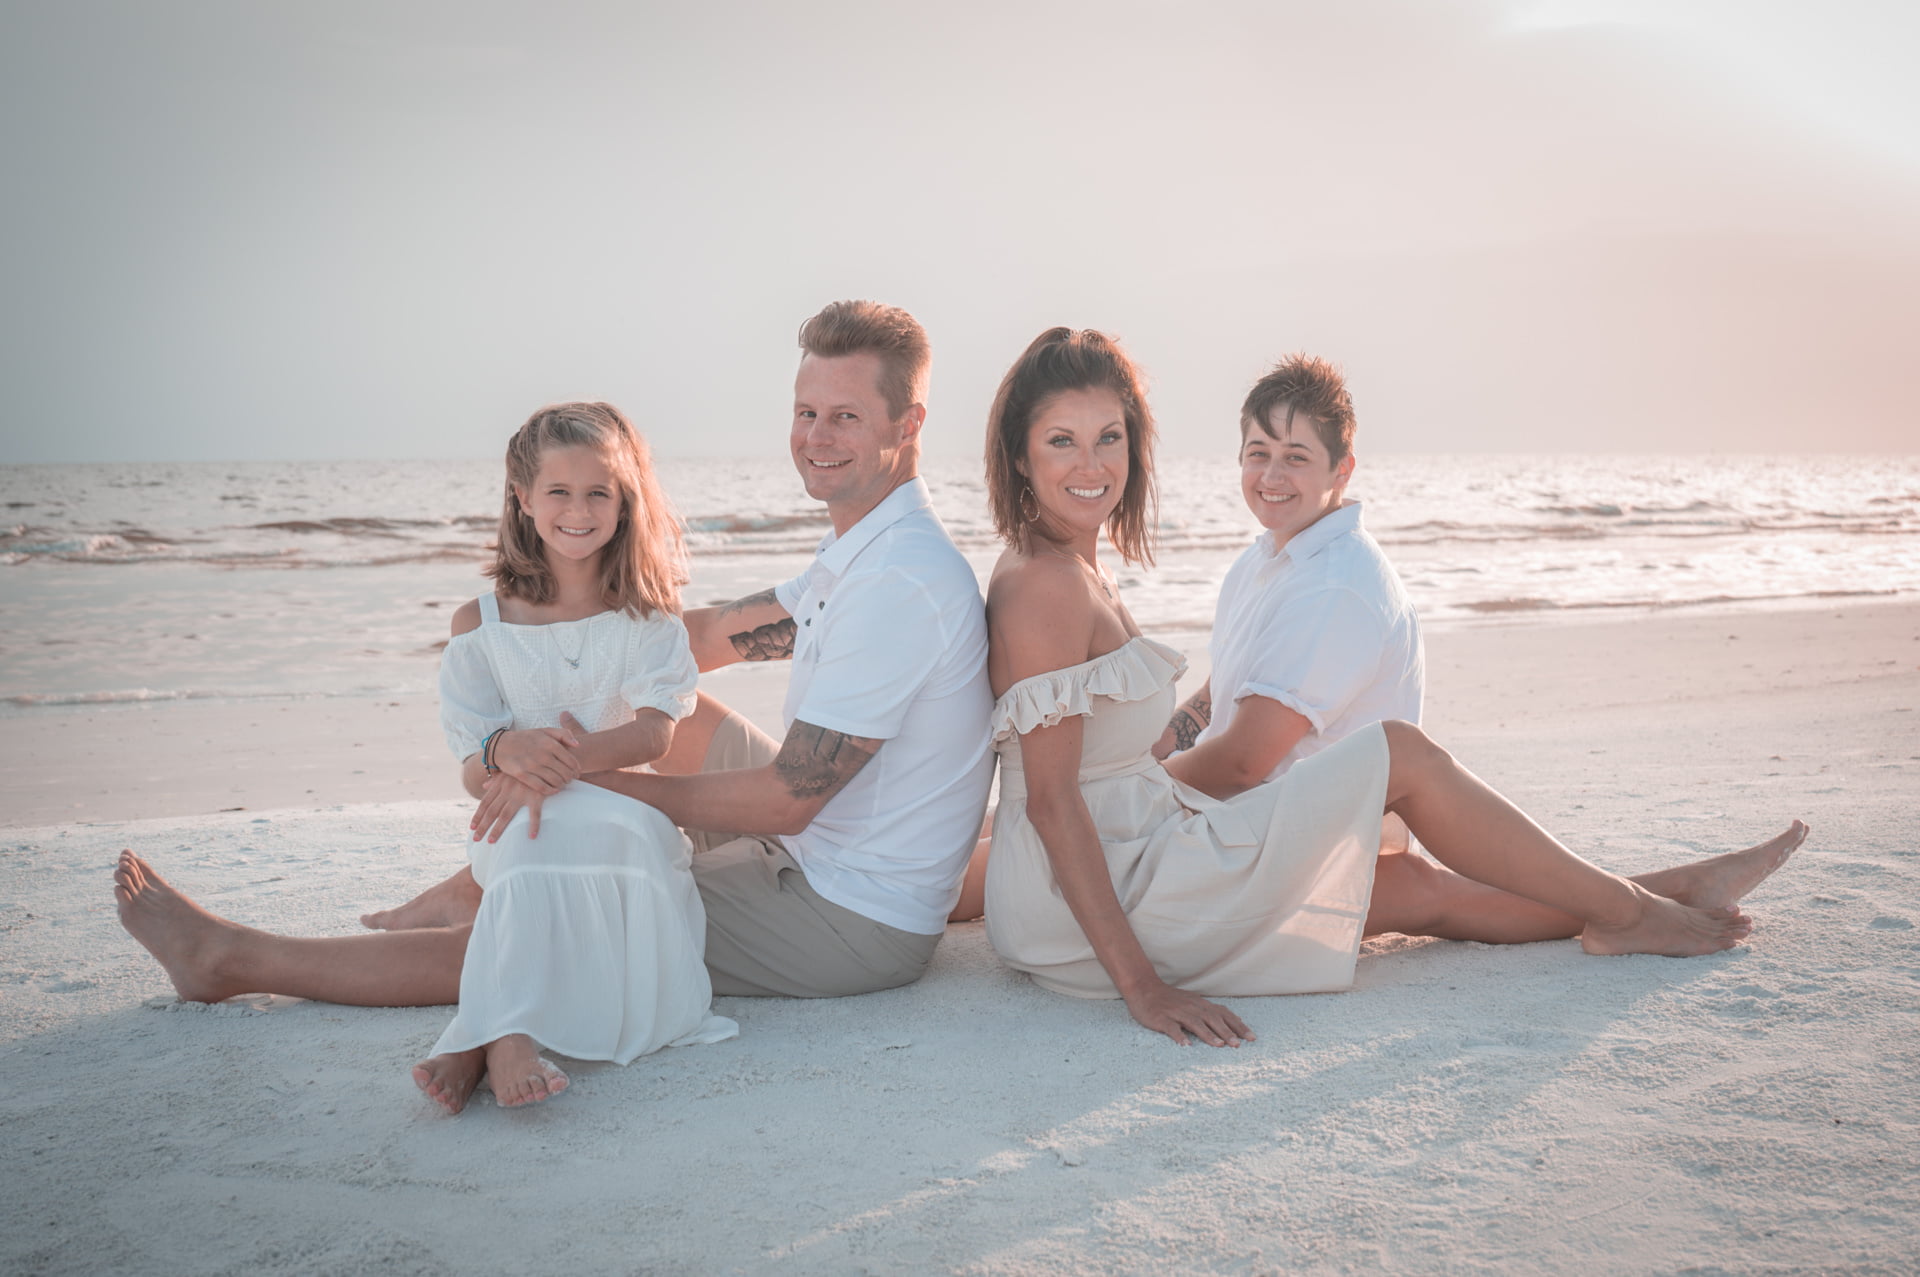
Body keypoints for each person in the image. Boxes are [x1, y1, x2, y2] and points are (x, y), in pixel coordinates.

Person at [113, 300, 995, 1111]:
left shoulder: (898, 584)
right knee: (663, 708)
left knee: (552, 924)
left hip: (845, 912)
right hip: (825, 845)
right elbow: (708, 637)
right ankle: (486, 871)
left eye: (847, 415)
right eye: (808, 411)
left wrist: (574, 775)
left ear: (907, 424)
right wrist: (533, 660)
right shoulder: (860, 552)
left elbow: (786, 800)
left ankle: (233, 958)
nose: (817, 436)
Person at [977, 326, 1808, 1048]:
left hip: (1143, 852)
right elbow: (1052, 804)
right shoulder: (1051, 584)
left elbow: (1132, 755)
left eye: (1109, 437)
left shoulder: (1079, 567)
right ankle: (1634, 910)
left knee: (1416, 887)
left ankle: (1646, 901)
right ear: (1020, 452)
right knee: (1405, 779)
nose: (1092, 464)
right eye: (1062, 441)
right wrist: (1144, 990)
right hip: (1125, 882)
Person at [416, 401, 736, 1111]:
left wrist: (558, 759)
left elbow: (655, 732)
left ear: (625, 503)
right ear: (523, 499)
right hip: (519, 814)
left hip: (628, 808)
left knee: (558, 825)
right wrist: (504, 748)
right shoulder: (481, 624)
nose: (578, 510)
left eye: (599, 492)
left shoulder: (649, 615)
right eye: (558, 491)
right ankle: (509, 1032)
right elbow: (475, 771)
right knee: (527, 835)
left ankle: (491, 1034)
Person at [1156, 354, 1422, 797]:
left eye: (1296, 457)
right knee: (1018, 828)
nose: (1272, 476)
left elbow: (1243, 763)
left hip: (1283, 843)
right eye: (1259, 453)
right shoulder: (1260, 562)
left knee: (1024, 845)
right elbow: (1216, 698)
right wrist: (1149, 752)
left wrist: (1130, 791)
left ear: (1342, 469)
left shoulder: (1337, 585)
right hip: (1232, 816)